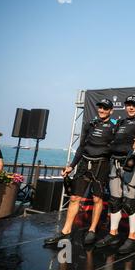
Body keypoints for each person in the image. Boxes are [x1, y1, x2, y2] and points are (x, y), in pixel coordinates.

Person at [44, 99, 117, 246]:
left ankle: (92, 230)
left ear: (111, 111)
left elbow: (117, 149)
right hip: (84, 164)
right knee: (74, 198)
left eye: (105, 108)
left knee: (97, 200)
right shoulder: (89, 124)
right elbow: (81, 147)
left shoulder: (114, 127)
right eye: (100, 107)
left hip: (101, 166)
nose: (102, 110)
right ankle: (65, 231)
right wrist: (72, 165)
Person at [95, 96, 135, 254]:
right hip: (115, 164)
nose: (131, 108)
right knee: (114, 201)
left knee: (130, 202)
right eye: (128, 105)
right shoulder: (120, 122)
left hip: (131, 166)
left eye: (134, 105)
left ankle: (132, 238)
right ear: (125, 107)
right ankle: (113, 234)